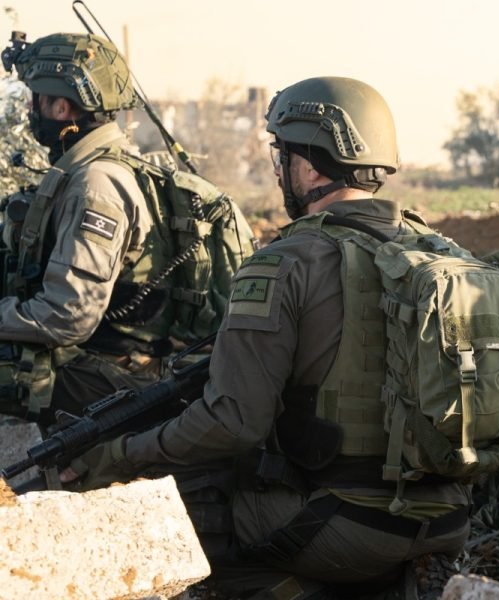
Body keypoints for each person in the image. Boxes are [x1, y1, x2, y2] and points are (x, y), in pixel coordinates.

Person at [68, 77, 470, 598]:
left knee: (180, 497)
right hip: (448, 518)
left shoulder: (284, 262)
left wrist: (120, 454)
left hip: (342, 526)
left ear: (310, 166)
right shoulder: (444, 256)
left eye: (281, 155)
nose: (279, 170)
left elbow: (232, 423)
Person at [0, 33, 209, 423]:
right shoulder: (86, 167)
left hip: (114, 378)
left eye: (36, 99)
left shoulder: (95, 183)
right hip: (98, 364)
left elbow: (67, 316)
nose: (30, 110)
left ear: (61, 107)